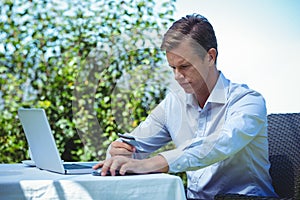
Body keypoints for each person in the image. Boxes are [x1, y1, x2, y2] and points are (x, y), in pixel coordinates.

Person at [93, 14, 278, 199]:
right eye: (172, 68)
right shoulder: (173, 104)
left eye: (185, 66)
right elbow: (137, 143)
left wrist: (151, 164)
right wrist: (121, 151)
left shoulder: (248, 102)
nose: (177, 76)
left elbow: (219, 144)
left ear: (210, 57)